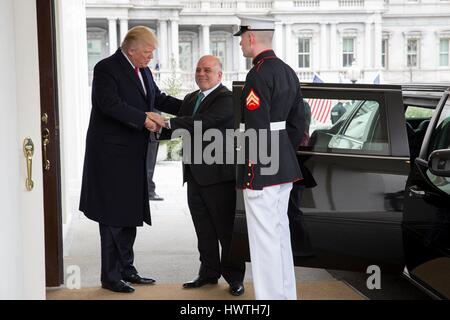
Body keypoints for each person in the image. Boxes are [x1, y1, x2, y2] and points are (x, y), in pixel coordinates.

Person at [79, 26, 182, 293]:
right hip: (111, 157)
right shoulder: (106, 68)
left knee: (129, 214)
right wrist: (145, 119)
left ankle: (127, 269)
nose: (151, 57)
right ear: (131, 48)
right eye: (147, 52)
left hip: (133, 156)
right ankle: (110, 276)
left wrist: (193, 106)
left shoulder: (143, 70)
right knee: (112, 217)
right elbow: (109, 103)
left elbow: (157, 98)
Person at [147, 55, 246, 296]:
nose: (201, 73)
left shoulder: (227, 99)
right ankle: (208, 272)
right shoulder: (191, 98)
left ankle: (234, 278)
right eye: (199, 69)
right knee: (203, 228)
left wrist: (165, 123)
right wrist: (151, 130)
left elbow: (202, 123)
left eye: (208, 70)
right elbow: (184, 127)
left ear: (219, 75)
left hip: (219, 176)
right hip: (195, 175)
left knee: (225, 230)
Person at [234, 16, 307, 300]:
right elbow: (298, 123)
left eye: (241, 37)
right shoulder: (288, 71)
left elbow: (255, 128)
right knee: (279, 236)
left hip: (262, 171)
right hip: (282, 167)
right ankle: (286, 295)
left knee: (264, 242)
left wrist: (253, 171)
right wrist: (280, 155)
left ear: (252, 37)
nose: (240, 42)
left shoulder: (258, 75)